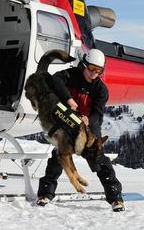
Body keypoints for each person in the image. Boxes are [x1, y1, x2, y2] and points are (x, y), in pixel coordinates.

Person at [37, 48, 125, 211]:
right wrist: (69, 99)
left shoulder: (101, 90)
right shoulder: (71, 75)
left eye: (99, 71)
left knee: (99, 159)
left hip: (89, 127)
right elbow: (55, 80)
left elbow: (97, 115)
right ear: (84, 65)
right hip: (68, 122)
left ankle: (115, 197)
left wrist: (88, 122)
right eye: (91, 69)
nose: (94, 74)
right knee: (60, 156)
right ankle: (45, 194)